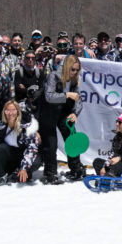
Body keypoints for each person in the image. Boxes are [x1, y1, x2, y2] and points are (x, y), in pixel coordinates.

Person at [41, 54, 84, 183]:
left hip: (64, 111)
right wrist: (66, 95)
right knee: (51, 143)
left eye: (77, 70)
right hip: (48, 111)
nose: (75, 72)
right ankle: (50, 173)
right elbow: (49, 96)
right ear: (66, 67)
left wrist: (75, 113)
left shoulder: (75, 79)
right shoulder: (54, 76)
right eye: (72, 69)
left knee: (72, 137)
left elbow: (78, 99)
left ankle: (76, 169)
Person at [0, 100, 41, 185]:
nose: (10, 113)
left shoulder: (26, 127)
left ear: (18, 111)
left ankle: (21, 172)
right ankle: (0, 175)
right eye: (8, 110)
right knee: (0, 148)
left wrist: (24, 167)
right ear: (4, 112)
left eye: (13, 110)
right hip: (10, 156)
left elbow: (32, 148)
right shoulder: (0, 126)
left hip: (23, 156)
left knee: (36, 161)